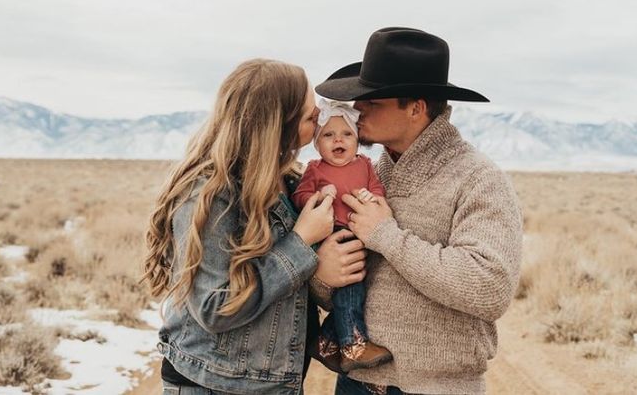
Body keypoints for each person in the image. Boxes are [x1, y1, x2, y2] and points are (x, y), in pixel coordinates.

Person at [315, 28, 523, 395]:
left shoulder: (478, 178)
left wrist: (387, 237)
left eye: (373, 102)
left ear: (416, 108)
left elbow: (490, 288)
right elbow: (335, 287)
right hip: (354, 383)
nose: (357, 110)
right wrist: (323, 272)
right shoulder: (368, 172)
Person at [141, 58, 367, 395]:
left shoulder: (290, 181)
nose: (320, 117)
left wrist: (321, 271)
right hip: (213, 385)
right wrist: (302, 243)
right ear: (278, 124)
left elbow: (289, 283)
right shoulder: (211, 194)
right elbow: (214, 307)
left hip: (273, 382)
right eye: (309, 115)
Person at [292, 99, 392, 373]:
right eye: (328, 135)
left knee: (356, 289)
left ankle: (325, 341)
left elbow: (378, 192)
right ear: (317, 143)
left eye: (347, 134)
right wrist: (317, 196)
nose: (338, 139)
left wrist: (372, 198)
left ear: (357, 139)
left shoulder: (366, 166)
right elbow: (299, 197)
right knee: (352, 286)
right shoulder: (315, 168)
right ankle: (352, 345)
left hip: (361, 233)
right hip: (333, 235)